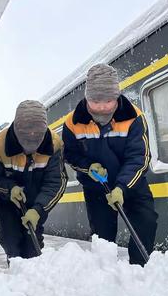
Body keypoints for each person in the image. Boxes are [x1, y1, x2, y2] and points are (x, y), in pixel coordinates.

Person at [62, 63, 158, 266]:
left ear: (117, 96)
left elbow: (139, 157)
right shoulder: (73, 123)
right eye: (96, 101)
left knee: (146, 223)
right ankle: (106, 278)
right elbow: (70, 154)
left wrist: (122, 187)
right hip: (97, 188)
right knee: (103, 237)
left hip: (131, 185)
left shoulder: (134, 117)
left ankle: (139, 270)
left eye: (108, 100)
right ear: (87, 98)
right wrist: (88, 167)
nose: (103, 107)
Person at [0, 100, 67, 260]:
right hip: (7, 202)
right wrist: (10, 190)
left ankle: (32, 277)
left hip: (36, 201)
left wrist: (38, 210)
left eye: (37, 139)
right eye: (25, 139)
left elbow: (55, 182)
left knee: (32, 246)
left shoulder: (54, 144)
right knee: (11, 241)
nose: (30, 146)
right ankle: (16, 270)